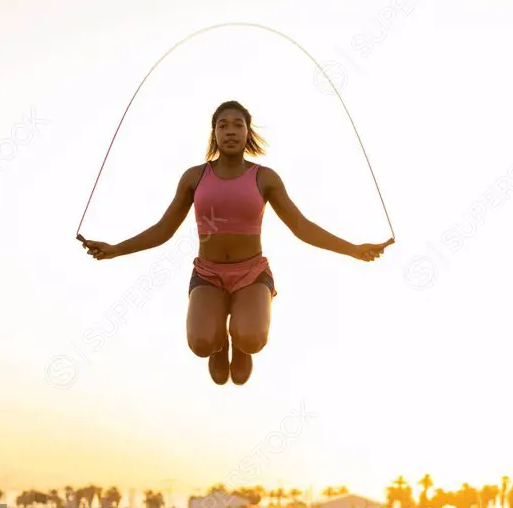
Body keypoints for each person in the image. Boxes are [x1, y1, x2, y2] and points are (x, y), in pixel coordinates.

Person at [80, 100, 391, 385]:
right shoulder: (194, 177)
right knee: (201, 344)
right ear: (214, 133)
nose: (230, 131)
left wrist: (353, 249)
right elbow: (163, 229)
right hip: (208, 273)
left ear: (247, 131)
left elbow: (302, 227)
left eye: (238, 124)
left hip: (251, 274)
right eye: (223, 125)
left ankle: (241, 346)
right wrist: (115, 249)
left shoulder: (265, 177)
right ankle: (219, 344)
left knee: (252, 338)